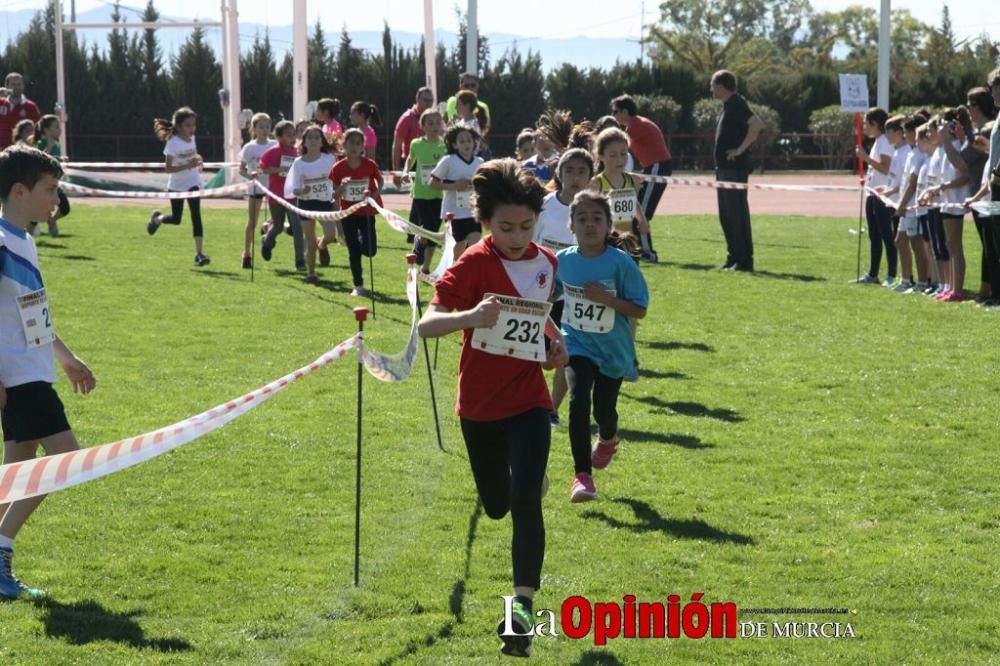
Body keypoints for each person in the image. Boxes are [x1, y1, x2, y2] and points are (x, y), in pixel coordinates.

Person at [417, 158, 567, 658]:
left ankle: (520, 614)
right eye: (506, 227)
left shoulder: (548, 262)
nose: (518, 236)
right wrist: (471, 315)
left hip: (528, 399)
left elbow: (539, 321)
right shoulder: (472, 265)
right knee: (499, 505)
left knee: (525, 501)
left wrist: (554, 344)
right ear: (485, 222)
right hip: (479, 406)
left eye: (527, 225)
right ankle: (525, 480)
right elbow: (426, 325)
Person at [0, 145, 97, 599]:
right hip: (18, 378)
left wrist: (66, 357)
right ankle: (0, 552)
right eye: (49, 190)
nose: (55, 199)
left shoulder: (26, 239)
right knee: (65, 463)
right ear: (18, 191)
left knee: (13, 476)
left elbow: (34, 315)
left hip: (36, 371)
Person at [556, 191, 648, 502]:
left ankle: (608, 438)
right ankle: (582, 477)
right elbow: (547, 295)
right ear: (571, 225)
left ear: (609, 225)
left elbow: (640, 309)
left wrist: (606, 299)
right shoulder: (562, 261)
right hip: (577, 343)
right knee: (579, 399)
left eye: (597, 218)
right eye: (582, 219)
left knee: (604, 410)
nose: (589, 225)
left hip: (614, 350)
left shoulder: (620, 263)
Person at [534, 148, 594, 426]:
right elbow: (530, 242)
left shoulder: (595, 207)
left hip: (576, 292)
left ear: (591, 175)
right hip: (541, 288)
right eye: (569, 170)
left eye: (582, 171)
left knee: (566, 350)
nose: (575, 176)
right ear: (559, 173)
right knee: (538, 353)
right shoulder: (545, 204)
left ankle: (551, 409)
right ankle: (529, 400)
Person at [711, 70, 764, 272]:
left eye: (713, 84)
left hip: (734, 170)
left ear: (721, 85)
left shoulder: (737, 103)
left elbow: (757, 125)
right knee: (726, 215)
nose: (711, 89)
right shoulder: (728, 106)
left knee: (736, 214)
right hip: (723, 169)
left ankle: (744, 260)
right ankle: (733, 256)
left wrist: (741, 149)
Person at [610, 94, 672, 262]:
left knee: (641, 213)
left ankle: (647, 253)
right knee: (637, 210)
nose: (614, 115)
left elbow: (619, 144)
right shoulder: (637, 123)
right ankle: (642, 249)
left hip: (656, 167)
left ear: (624, 111)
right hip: (653, 167)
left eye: (615, 111)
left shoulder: (635, 125)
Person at [146, 106, 210, 266]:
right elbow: (168, 168)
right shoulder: (172, 143)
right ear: (180, 126)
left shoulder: (192, 138)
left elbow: (193, 155)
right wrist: (189, 164)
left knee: (196, 216)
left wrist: (198, 158)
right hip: (176, 185)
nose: (192, 128)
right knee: (176, 219)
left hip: (193, 183)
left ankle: (199, 254)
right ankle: (158, 218)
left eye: (194, 125)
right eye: (188, 125)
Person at [329, 128, 383, 297]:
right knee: (353, 251)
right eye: (351, 143)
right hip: (348, 213)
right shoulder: (338, 168)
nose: (354, 147)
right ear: (344, 145)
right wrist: (343, 187)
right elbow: (334, 194)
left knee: (370, 250)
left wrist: (374, 194)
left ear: (363, 147)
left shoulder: (369, 165)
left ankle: (360, 242)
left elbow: (380, 181)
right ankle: (358, 285)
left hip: (366, 211)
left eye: (358, 143)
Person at [285, 124, 337, 285]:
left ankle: (323, 246)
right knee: (310, 241)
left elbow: (337, 178)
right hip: (306, 204)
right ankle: (311, 273)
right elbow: (293, 189)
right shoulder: (299, 163)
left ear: (322, 141)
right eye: (310, 138)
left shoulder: (329, 158)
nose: (314, 141)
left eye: (317, 137)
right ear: (304, 142)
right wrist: (302, 190)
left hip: (325, 203)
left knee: (330, 235)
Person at [851, 107, 894, 284]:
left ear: (874, 124)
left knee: (886, 234)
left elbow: (885, 167)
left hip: (882, 194)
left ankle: (892, 274)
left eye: (867, 125)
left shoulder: (884, 141)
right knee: (874, 235)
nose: (865, 129)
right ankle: (873, 273)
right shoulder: (878, 141)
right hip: (872, 192)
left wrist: (865, 157)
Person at [430, 125, 485, 262]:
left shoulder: (480, 162)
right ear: (454, 145)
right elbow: (433, 183)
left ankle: (472, 275)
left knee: (475, 245)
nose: (466, 144)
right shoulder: (448, 160)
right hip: (453, 213)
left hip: (472, 211)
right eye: (462, 141)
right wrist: (454, 186)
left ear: (474, 142)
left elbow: (485, 185)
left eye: (469, 140)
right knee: (458, 247)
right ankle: (456, 271)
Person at [590, 128, 650, 250]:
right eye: (613, 155)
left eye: (623, 154)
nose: (619, 160)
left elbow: (633, 202)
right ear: (601, 156)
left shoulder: (632, 180)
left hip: (627, 239)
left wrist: (642, 220)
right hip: (605, 241)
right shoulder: (597, 183)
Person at [402, 109, 446, 274]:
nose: (435, 126)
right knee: (427, 227)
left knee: (434, 231)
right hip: (421, 193)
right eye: (430, 123)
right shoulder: (416, 144)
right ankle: (419, 243)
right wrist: (406, 171)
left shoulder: (445, 145)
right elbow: (410, 158)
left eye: (437, 122)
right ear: (423, 126)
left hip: (439, 194)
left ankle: (426, 267)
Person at [259, 120, 305, 271]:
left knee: (297, 228)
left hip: (293, 196)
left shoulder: (297, 152)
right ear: (279, 137)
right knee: (278, 226)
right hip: (276, 196)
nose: (292, 138)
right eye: (288, 135)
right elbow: (264, 169)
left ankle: (300, 262)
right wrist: (279, 169)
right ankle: (267, 242)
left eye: (294, 135)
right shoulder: (273, 152)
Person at [238, 112, 276, 270]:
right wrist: (250, 175)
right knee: (252, 222)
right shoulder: (249, 147)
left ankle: (267, 232)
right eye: (261, 126)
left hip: (273, 188)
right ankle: (247, 253)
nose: (265, 129)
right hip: (256, 188)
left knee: (277, 219)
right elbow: (241, 170)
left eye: (267, 126)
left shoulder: (274, 144)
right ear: (254, 128)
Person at [30, 115, 70, 239]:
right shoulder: (40, 143)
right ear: (46, 130)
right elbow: (40, 160)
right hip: (41, 184)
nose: (60, 129)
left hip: (54, 184)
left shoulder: (57, 144)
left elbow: (54, 162)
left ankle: (51, 220)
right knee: (36, 213)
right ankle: (28, 235)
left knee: (65, 207)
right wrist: (50, 146)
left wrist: (60, 159)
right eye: (56, 126)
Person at [391, 87, 435, 177]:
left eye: (431, 100)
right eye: (425, 100)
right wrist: (396, 171)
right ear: (417, 99)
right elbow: (396, 146)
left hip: (431, 163)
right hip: (412, 165)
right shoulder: (406, 118)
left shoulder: (436, 118)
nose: (429, 103)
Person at [0, 73, 42, 150]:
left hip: (21, 152)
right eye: (13, 84)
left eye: (19, 84)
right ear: (7, 87)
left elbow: (38, 130)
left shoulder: (31, 107)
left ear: (23, 86)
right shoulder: (1, 103)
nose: (16, 87)